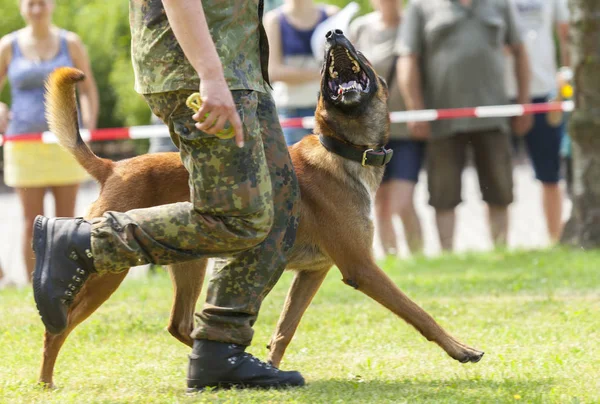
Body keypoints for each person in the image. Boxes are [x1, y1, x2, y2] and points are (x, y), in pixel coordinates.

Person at [31, 0, 304, 391]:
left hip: (242, 72)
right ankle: (84, 241)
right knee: (240, 216)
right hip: (201, 71)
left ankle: (218, 348)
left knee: (275, 209)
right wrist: (210, 75)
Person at [397, 0, 532, 251]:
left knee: (500, 190)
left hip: (494, 115)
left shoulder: (500, 4)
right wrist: (415, 109)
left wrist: (523, 102)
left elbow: (520, 51)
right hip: (441, 119)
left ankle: (501, 251)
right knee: (443, 194)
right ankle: (448, 255)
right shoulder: (420, 6)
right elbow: (408, 59)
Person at [0, 0, 99, 283]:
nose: (36, 9)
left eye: (41, 3)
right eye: (30, 4)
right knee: (32, 223)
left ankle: (65, 284)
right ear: (21, 8)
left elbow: (88, 88)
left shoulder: (71, 43)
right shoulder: (8, 45)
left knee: (66, 222)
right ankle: (36, 287)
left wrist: (89, 125)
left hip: (65, 143)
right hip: (23, 145)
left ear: (51, 5)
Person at [349, 0, 424, 257]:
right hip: (371, 134)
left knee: (403, 202)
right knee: (380, 202)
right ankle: (391, 259)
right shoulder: (359, 28)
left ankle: (418, 256)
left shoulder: (413, 24)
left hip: (406, 130)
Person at [504, 0, 570, 243]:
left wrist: (566, 77)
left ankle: (555, 240)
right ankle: (502, 244)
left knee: (550, 174)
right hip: (502, 94)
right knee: (499, 179)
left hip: (546, 94)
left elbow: (566, 34)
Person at [264, 0, 338, 145]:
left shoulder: (331, 15)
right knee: (294, 167)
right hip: (291, 111)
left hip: (329, 110)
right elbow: (274, 72)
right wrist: (322, 74)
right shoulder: (274, 19)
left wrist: (298, 75)